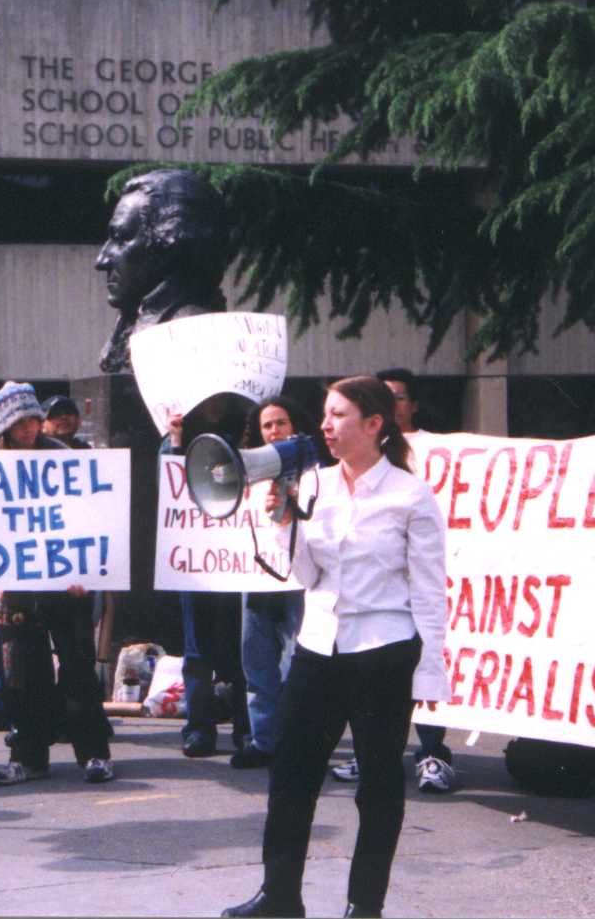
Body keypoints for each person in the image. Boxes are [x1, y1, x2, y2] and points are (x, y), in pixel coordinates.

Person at [223, 376, 447, 919]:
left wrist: (431, 670)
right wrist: (281, 523)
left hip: (383, 653)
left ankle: (363, 906)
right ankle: (280, 897)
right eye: (325, 414)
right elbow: (304, 572)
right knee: (291, 777)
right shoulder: (316, 486)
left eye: (339, 415)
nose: (325, 426)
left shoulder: (409, 495)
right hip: (318, 647)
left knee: (377, 787)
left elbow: (429, 588)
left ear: (375, 425)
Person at [0, 381, 115, 785]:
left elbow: (88, 517)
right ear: (6, 426)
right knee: (22, 676)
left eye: (34, 421)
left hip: (66, 589)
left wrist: (85, 574)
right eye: (21, 423)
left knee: (78, 672)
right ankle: (29, 756)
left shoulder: (64, 458)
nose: (30, 430)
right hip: (20, 592)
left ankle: (93, 754)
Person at [327, 369, 458, 795]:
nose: (393, 404)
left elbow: (427, 581)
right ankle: (367, 756)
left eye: (399, 397)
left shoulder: (422, 468)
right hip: (350, 620)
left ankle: (432, 753)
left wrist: (432, 669)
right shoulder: (333, 478)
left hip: (401, 608)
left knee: (409, 681)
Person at [230, 397, 315, 770]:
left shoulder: (314, 471)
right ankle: (264, 740)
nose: (274, 430)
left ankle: (298, 739)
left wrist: (294, 501)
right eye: (267, 425)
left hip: (299, 581)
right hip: (257, 579)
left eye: (280, 422)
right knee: (258, 663)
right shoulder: (248, 471)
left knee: (296, 663)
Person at [164, 399, 251, 759]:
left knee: (247, 651)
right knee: (196, 651)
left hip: (240, 559)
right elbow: (168, 480)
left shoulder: (248, 431)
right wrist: (175, 439)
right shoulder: (180, 438)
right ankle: (199, 730)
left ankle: (248, 730)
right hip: (197, 562)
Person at [94, 169, 229, 372]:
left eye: (122, 239)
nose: (102, 260)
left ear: (169, 247)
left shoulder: (192, 335)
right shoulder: (131, 324)